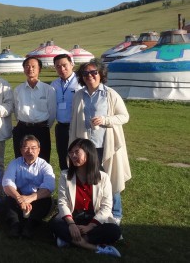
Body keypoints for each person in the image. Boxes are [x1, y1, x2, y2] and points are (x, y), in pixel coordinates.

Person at [69, 59, 130, 223]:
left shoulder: (110, 94)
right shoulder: (79, 95)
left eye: (93, 72)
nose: (90, 76)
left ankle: (115, 215)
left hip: (105, 145)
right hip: (85, 146)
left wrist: (105, 120)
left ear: (101, 74)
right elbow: (74, 121)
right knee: (89, 178)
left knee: (110, 178)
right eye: (85, 73)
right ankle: (94, 211)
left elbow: (124, 116)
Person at [50, 139, 122, 258]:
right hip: (74, 218)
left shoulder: (103, 177)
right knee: (55, 223)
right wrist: (72, 224)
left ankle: (69, 240)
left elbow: (106, 206)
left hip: (94, 219)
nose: (73, 156)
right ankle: (93, 247)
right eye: (70, 152)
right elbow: (62, 202)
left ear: (88, 154)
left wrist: (90, 226)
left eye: (77, 152)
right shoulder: (65, 175)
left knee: (114, 230)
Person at [2, 135, 55, 239]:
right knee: (8, 199)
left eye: (33, 148)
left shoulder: (45, 166)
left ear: (39, 150)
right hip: (19, 198)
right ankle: (15, 226)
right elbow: (7, 183)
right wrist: (19, 199)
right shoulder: (14, 163)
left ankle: (29, 227)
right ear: (21, 150)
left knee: (46, 200)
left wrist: (29, 199)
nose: (30, 151)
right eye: (26, 147)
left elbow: (49, 187)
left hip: (36, 198)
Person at [12, 57, 56, 162]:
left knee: (42, 160)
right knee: (21, 160)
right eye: (27, 66)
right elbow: (16, 110)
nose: (30, 69)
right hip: (22, 129)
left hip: (41, 130)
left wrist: (43, 126)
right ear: (23, 69)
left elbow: (52, 112)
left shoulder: (48, 89)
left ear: (39, 69)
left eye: (33, 66)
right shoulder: (18, 89)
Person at [51, 54, 81, 171]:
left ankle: (81, 187)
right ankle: (67, 185)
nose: (62, 69)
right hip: (61, 128)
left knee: (79, 158)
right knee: (63, 158)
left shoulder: (81, 82)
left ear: (72, 64)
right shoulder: (54, 84)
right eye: (58, 66)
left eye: (65, 65)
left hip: (77, 126)